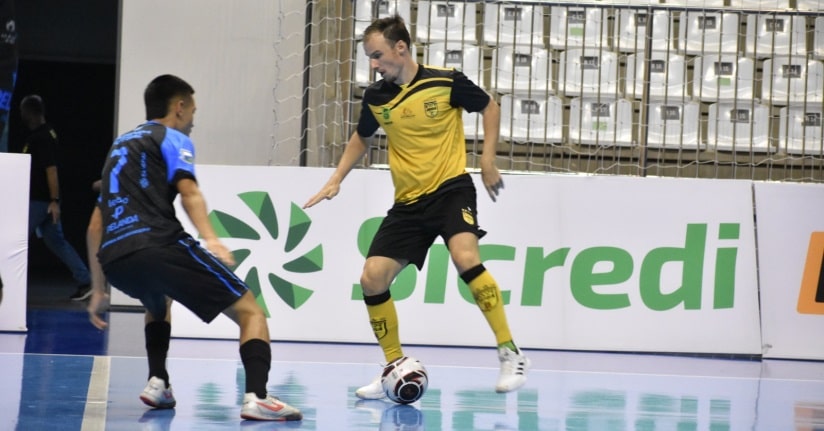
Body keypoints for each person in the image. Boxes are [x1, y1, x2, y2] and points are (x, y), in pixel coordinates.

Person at [303, 15, 529, 400]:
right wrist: (337, 177)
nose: (373, 64)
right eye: (369, 58)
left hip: (451, 190)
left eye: (377, 55)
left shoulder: (445, 81)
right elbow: (362, 136)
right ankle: (393, 364)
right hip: (408, 203)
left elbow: (490, 107)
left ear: (401, 48)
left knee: (464, 257)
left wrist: (488, 159)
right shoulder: (377, 97)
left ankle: (510, 353)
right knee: (372, 278)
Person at [85, 74, 302, 421]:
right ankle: (258, 397)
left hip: (115, 259)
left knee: (158, 301)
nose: (193, 122)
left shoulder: (119, 147)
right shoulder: (170, 137)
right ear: (179, 107)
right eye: (193, 112)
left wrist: (98, 288)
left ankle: (158, 381)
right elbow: (189, 193)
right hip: (157, 243)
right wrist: (212, 238)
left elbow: (95, 225)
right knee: (251, 311)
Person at [20, 94, 91, 301]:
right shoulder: (45, 134)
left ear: (29, 112)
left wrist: (54, 201)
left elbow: (52, 170)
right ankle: (85, 281)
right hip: (44, 201)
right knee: (57, 242)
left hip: (40, 202)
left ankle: (7, 283)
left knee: (16, 239)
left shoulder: (42, 137)